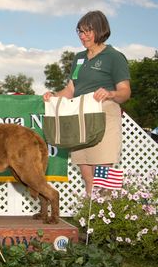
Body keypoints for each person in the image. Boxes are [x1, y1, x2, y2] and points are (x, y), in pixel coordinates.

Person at [43, 10, 131, 196]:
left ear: (100, 30)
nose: (83, 36)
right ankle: (90, 217)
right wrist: (53, 96)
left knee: (102, 175)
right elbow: (70, 90)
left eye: (87, 31)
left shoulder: (114, 56)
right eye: (80, 32)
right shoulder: (79, 58)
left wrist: (109, 93)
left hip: (104, 114)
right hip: (80, 118)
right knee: (87, 176)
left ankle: (103, 218)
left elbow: (125, 92)